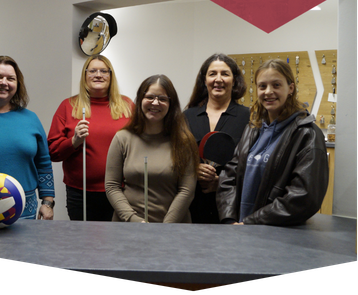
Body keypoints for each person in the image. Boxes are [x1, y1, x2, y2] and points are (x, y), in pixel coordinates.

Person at [216, 59, 329, 226]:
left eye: (276, 85)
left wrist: (251, 222)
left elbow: (304, 197)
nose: (268, 92)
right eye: (262, 86)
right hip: (239, 229)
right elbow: (229, 176)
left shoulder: (307, 134)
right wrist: (230, 219)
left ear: (290, 88)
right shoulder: (252, 129)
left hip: (276, 233)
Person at [0, 56, 55, 220]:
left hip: (24, 213)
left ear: (17, 84)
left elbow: (43, 163)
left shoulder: (31, 119)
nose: (4, 82)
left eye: (10, 78)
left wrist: (47, 203)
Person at [48, 55, 133, 221]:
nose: (98, 75)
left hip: (120, 190)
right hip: (80, 193)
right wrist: (74, 142)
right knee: (82, 237)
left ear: (111, 75)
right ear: (85, 75)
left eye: (104, 71)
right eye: (92, 71)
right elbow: (53, 152)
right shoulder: (68, 106)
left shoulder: (127, 106)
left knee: (118, 236)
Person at [105, 74, 199, 223]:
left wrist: (165, 226)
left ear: (171, 104)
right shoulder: (122, 138)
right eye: (149, 97)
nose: (155, 103)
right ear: (140, 100)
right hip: (128, 226)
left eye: (162, 99)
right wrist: (133, 220)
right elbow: (112, 186)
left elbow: (186, 190)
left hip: (172, 227)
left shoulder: (183, 141)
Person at [183, 53, 249, 223]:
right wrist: (193, 170)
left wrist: (222, 182)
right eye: (212, 74)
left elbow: (252, 166)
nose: (218, 79)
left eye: (225, 74)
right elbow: (176, 157)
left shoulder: (248, 118)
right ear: (204, 80)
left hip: (231, 209)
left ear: (234, 80)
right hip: (192, 207)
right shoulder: (187, 116)